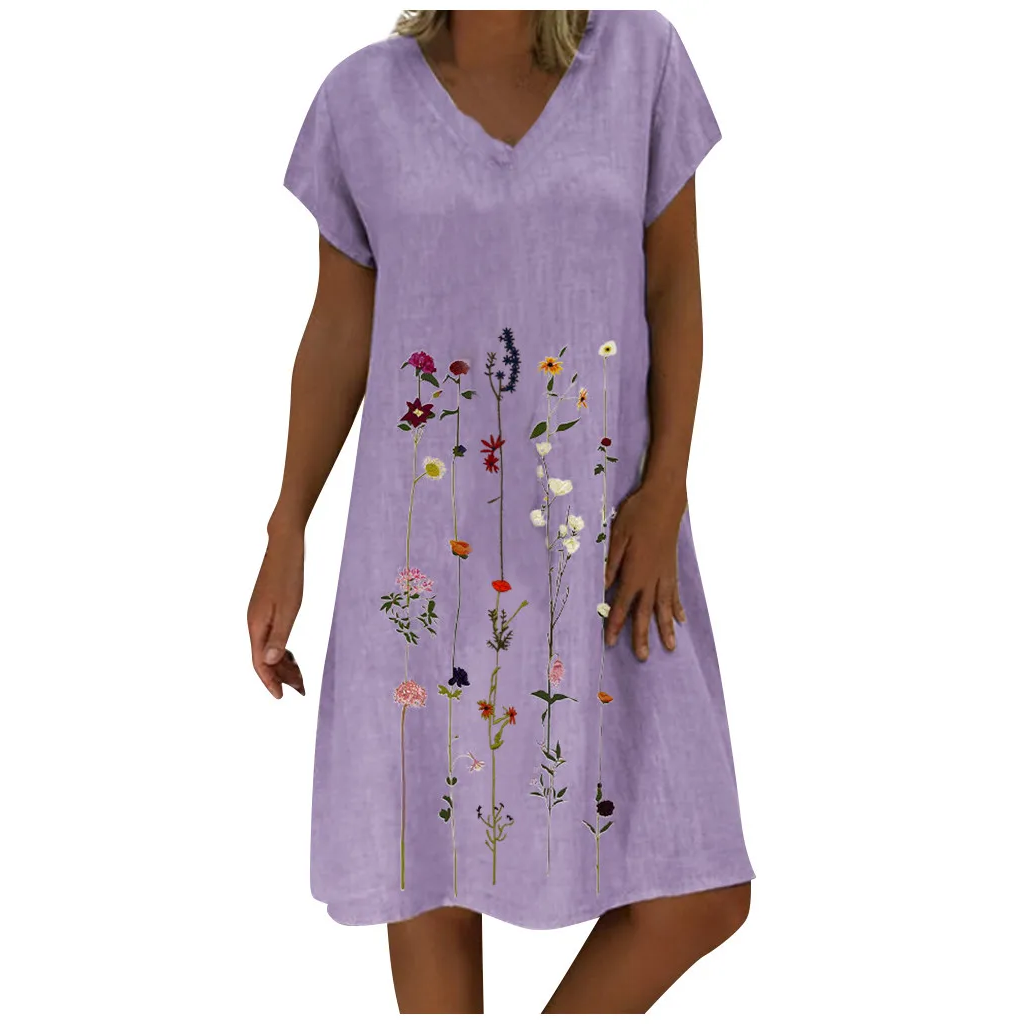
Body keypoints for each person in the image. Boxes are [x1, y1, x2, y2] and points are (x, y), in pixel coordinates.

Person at [248, 9, 753, 1014]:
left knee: (700, 891)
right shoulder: (361, 100)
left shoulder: (640, 63)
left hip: (602, 547)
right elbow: (340, 327)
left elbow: (673, 287)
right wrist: (286, 524)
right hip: (421, 557)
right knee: (432, 872)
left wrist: (666, 490)